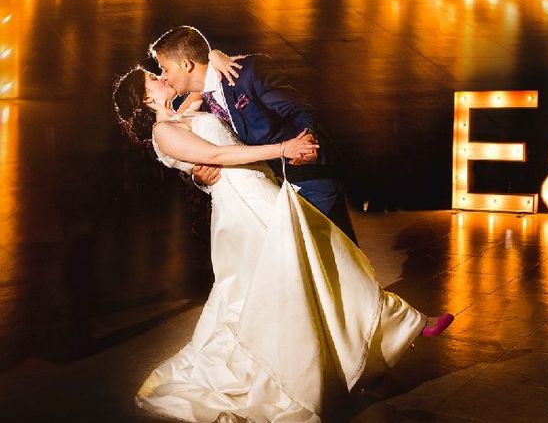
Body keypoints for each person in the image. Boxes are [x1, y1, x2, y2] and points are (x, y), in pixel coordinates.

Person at [113, 66, 454, 422]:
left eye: (158, 71)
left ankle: (392, 328)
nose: (160, 76)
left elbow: (204, 73)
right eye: (152, 78)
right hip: (244, 209)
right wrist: (282, 148)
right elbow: (217, 157)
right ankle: (290, 373)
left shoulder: (183, 114)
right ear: (146, 98)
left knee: (323, 257)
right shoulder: (163, 132)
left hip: (262, 191)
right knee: (292, 279)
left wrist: (212, 52)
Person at [149, 25, 359, 244]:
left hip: (307, 179)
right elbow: (196, 150)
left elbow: (298, 109)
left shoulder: (245, 73)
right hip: (267, 196)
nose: (163, 77)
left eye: (165, 68)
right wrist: (198, 175)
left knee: (341, 258)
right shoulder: (197, 106)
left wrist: (309, 141)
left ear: (185, 64)